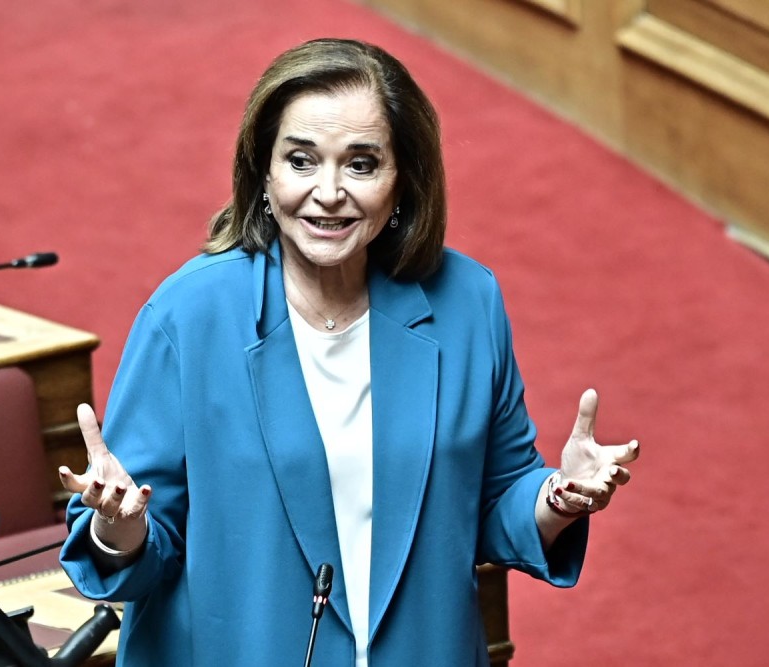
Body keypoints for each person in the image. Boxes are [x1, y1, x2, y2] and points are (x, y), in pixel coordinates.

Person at [58, 38, 639, 667]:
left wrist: (558, 496)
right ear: (263, 172)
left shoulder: (467, 303)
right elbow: (141, 542)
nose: (329, 192)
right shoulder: (188, 315)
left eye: (361, 164)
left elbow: (495, 502)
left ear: (403, 181)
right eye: (301, 160)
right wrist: (118, 526)